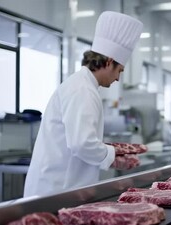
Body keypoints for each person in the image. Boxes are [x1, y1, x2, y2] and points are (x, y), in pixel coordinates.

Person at [24, 12, 143, 197]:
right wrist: (114, 158)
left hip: (62, 187)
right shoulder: (83, 90)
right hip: (57, 190)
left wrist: (112, 152)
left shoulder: (82, 85)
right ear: (109, 61)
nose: (118, 78)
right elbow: (82, 144)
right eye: (119, 70)